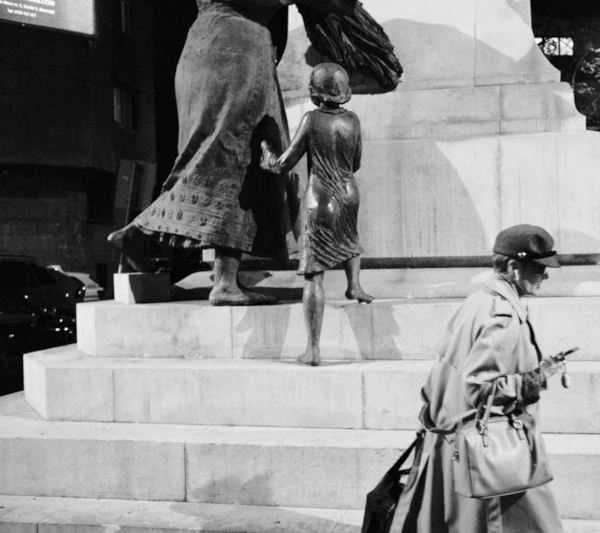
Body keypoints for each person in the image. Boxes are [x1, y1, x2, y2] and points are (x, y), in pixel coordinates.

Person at [107, 0, 367, 306]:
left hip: (207, 47)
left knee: (205, 156)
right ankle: (225, 282)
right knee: (238, 160)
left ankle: (138, 233)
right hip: (235, 52)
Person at [390, 224, 567, 533]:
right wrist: (537, 378)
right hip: (488, 458)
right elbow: (481, 389)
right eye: (539, 268)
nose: (546, 275)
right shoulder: (503, 317)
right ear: (513, 267)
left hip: (456, 446)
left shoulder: (479, 300)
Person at [261, 63, 373, 366]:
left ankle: (312, 349)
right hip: (350, 193)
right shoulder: (353, 120)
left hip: (320, 197)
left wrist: (267, 157)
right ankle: (355, 284)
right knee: (351, 238)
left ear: (316, 90)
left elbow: (285, 162)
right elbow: (357, 161)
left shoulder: (311, 119)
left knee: (314, 276)